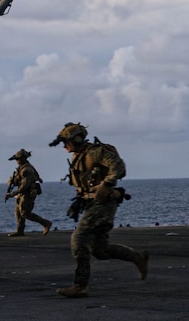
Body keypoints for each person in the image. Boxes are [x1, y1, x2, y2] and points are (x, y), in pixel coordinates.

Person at [48, 122, 148, 298]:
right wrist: (78, 202)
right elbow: (86, 184)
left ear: (76, 139)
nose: (64, 146)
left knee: (78, 239)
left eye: (66, 141)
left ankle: (80, 285)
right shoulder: (77, 158)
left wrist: (108, 183)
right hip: (92, 204)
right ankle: (137, 257)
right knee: (100, 251)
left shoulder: (95, 152)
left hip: (103, 204)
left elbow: (118, 167)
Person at [5, 149, 52, 237]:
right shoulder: (20, 168)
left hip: (28, 193)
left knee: (24, 213)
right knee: (18, 212)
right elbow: (17, 181)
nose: (16, 161)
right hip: (22, 192)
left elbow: (24, 185)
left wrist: (13, 193)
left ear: (22, 159)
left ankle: (45, 223)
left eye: (17, 159)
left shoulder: (26, 170)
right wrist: (11, 181)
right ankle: (20, 230)